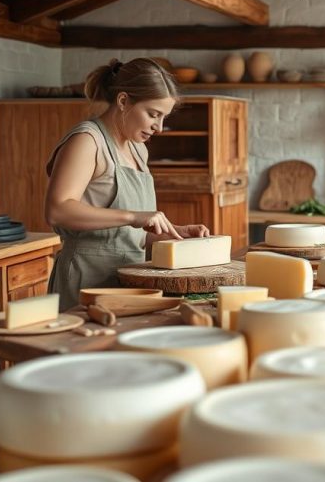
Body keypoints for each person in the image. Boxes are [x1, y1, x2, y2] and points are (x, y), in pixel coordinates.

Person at [45, 58, 209, 309]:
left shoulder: (138, 149)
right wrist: (133, 216)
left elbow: (127, 236)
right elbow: (58, 210)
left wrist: (174, 232)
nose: (160, 127)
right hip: (86, 281)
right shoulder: (87, 141)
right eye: (153, 114)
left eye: (164, 117)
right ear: (123, 101)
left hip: (129, 281)